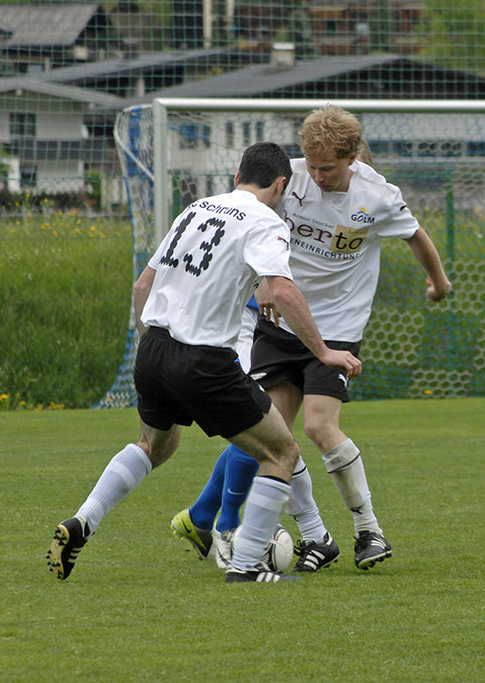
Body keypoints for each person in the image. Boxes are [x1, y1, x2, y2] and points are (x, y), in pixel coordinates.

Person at [45, 141, 361, 583]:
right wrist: (325, 352)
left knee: (155, 446)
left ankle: (83, 520)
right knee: (282, 452)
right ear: (281, 184)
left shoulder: (196, 209)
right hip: (204, 361)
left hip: (153, 347)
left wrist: (150, 346)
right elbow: (284, 291)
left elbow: (142, 288)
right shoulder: (266, 221)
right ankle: (247, 565)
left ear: (236, 178)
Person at [170, 107, 452, 572]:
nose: (317, 175)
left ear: (353, 158)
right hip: (280, 326)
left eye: (328, 168)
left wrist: (438, 283)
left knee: (320, 428)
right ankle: (311, 536)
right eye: (312, 164)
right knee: (269, 437)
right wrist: (262, 284)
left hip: (337, 329)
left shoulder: (377, 195)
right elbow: (250, 228)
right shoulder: (290, 180)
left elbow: (416, 236)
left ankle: (368, 529)